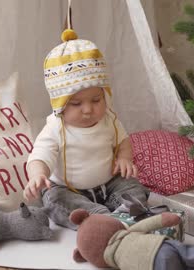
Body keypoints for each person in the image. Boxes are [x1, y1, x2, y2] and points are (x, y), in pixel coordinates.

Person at [23, 28, 149, 230]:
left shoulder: (109, 119)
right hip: (69, 189)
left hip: (108, 184)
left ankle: (123, 212)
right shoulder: (56, 127)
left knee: (133, 185)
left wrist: (124, 158)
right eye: (76, 104)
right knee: (55, 200)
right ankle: (98, 218)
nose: (88, 109)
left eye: (96, 100)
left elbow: (123, 140)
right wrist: (38, 175)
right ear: (60, 106)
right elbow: (40, 155)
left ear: (105, 96)